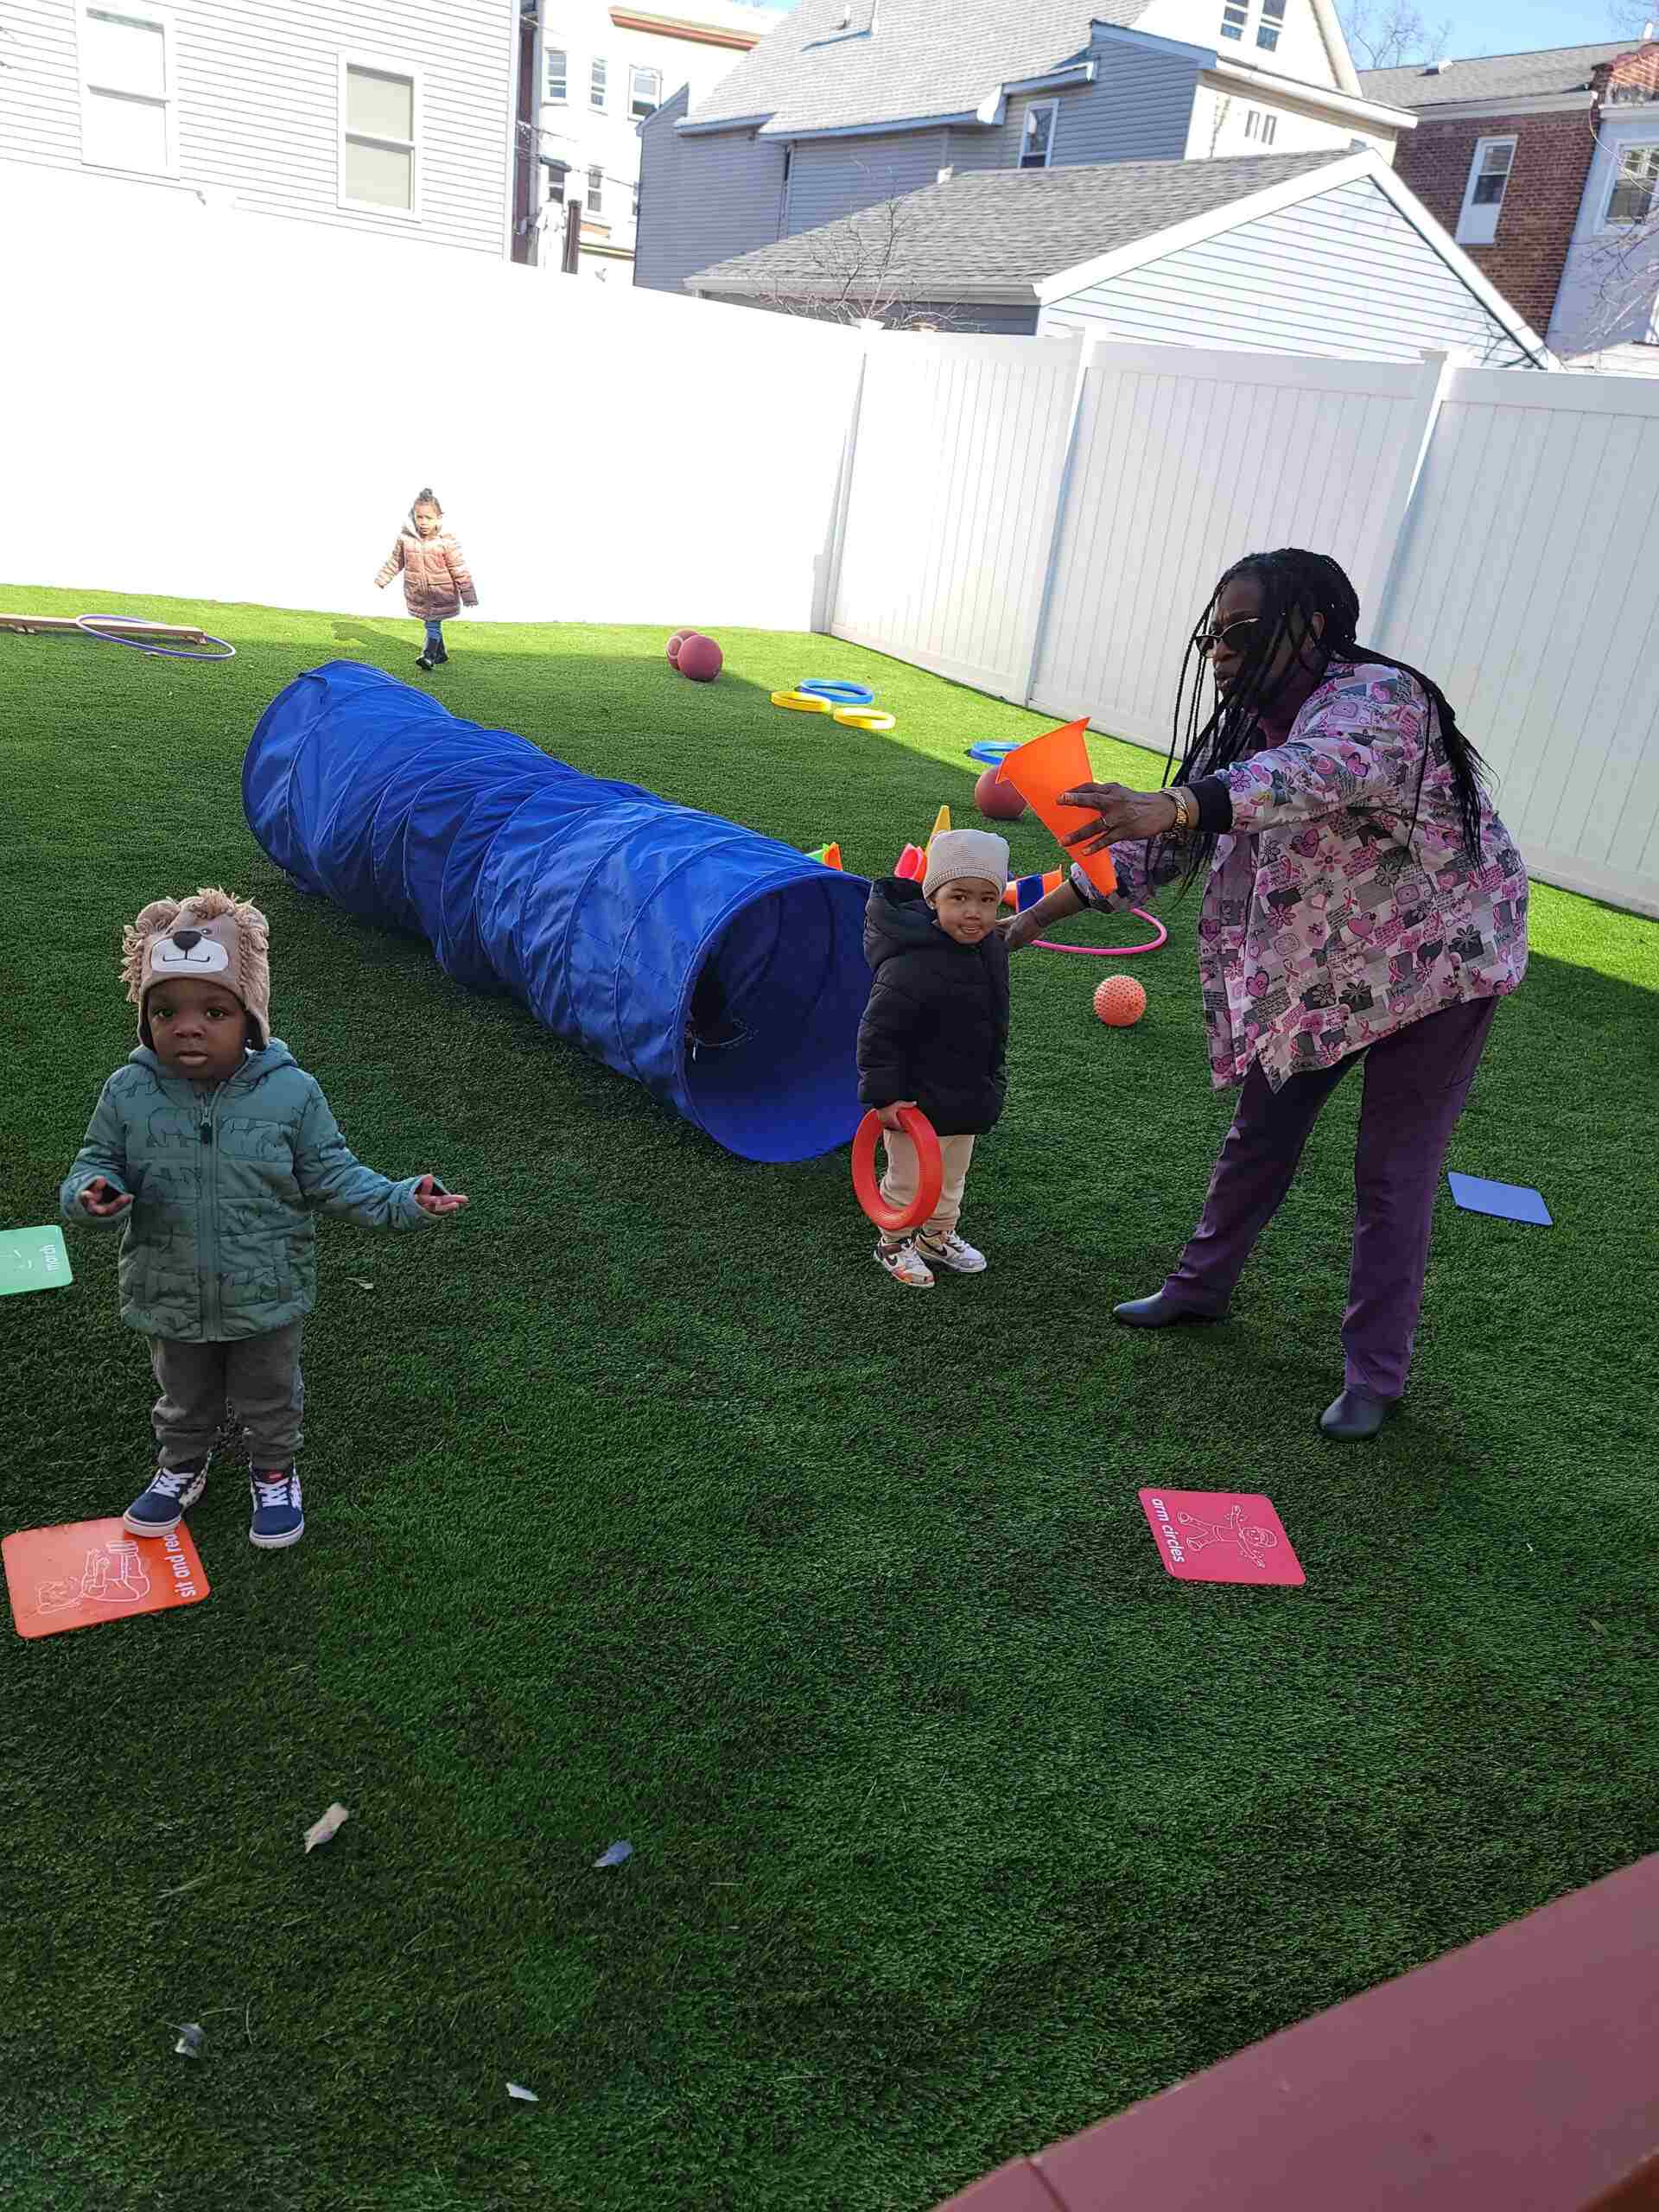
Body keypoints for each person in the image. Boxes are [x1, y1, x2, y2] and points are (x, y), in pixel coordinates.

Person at [1002, 548, 1529, 1440]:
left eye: (1241, 632)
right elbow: (1150, 848)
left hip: (1439, 969)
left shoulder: (1377, 703)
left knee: (1392, 1174)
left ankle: (1375, 1373)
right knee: (1261, 1134)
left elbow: (1309, 776)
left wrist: (1176, 802)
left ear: (1313, 624)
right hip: (1326, 979)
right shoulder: (1249, 722)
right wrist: (1025, 920)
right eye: (1214, 635)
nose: (1219, 652)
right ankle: (1199, 1287)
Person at [59, 887, 469, 1548]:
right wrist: (92, 1192)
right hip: (169, 1285)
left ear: (251, 1019)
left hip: (266, 1288)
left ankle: (274, 1470)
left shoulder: (291, 1093)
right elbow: (94, 1162)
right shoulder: (129, 1090)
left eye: (214, 1011)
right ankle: (181, 1466)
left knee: (268, 1391)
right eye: (164, 1011)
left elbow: (332, 1175)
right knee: (182, 1394)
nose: (186, 1026)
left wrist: (401, 1198)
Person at [857, 829, 1011, 1289]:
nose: (974, 912)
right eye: (959, 897)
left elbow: (993, 1018)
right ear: (932, 898)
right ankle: (893, 1240)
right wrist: (885, 1098)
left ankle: (936, 1235)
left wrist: (991, 1082)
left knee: (950, 1178)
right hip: (914, 1103)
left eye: (987, 900)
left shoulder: (989, 950)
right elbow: (878, 1033)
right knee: (908, 1179)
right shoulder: (909, 964)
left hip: (966, 1092)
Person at [373, 486, 478, 671]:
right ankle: (441, 653)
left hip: (441, 593)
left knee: (432, 623)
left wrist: (468, 594)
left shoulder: (446, 541)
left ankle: (428, 656)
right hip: (419, 593)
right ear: (413, 516)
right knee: (432, 623)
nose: (423, 522)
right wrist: (383, 578)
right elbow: (396, 561)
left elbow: (458, 568)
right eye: (419, 517)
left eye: (428, 518)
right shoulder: (406, 539)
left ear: (438, 518)